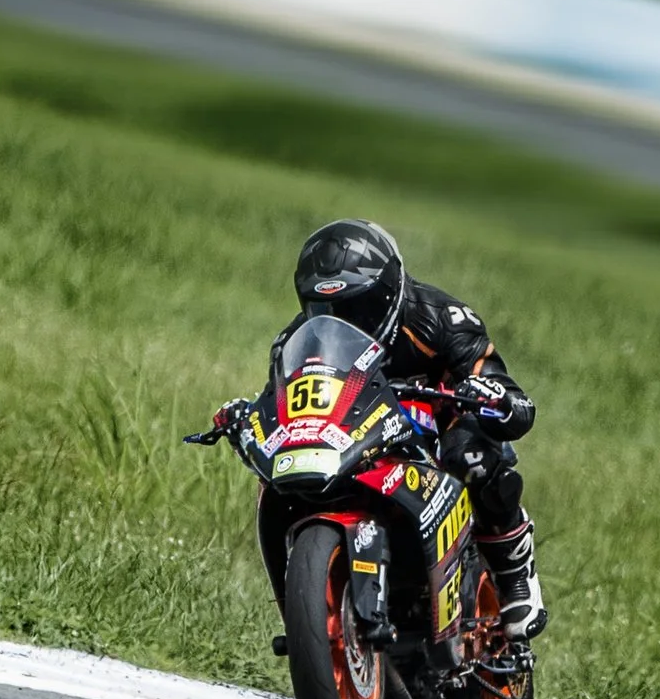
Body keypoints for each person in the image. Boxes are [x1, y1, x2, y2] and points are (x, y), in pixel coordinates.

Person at [219, 220, 548, 638]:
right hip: (357, 431)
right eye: (326, 311)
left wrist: (497, 398)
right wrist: (247, 418)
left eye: (359, 308)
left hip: (436, 423)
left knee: (471, 454)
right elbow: (284, 398)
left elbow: (502, 385)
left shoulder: (441, 317)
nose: (342, 321)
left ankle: (514, 571)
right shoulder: (294, 340)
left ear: (391, 293)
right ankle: (319, 607)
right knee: (280, 484)